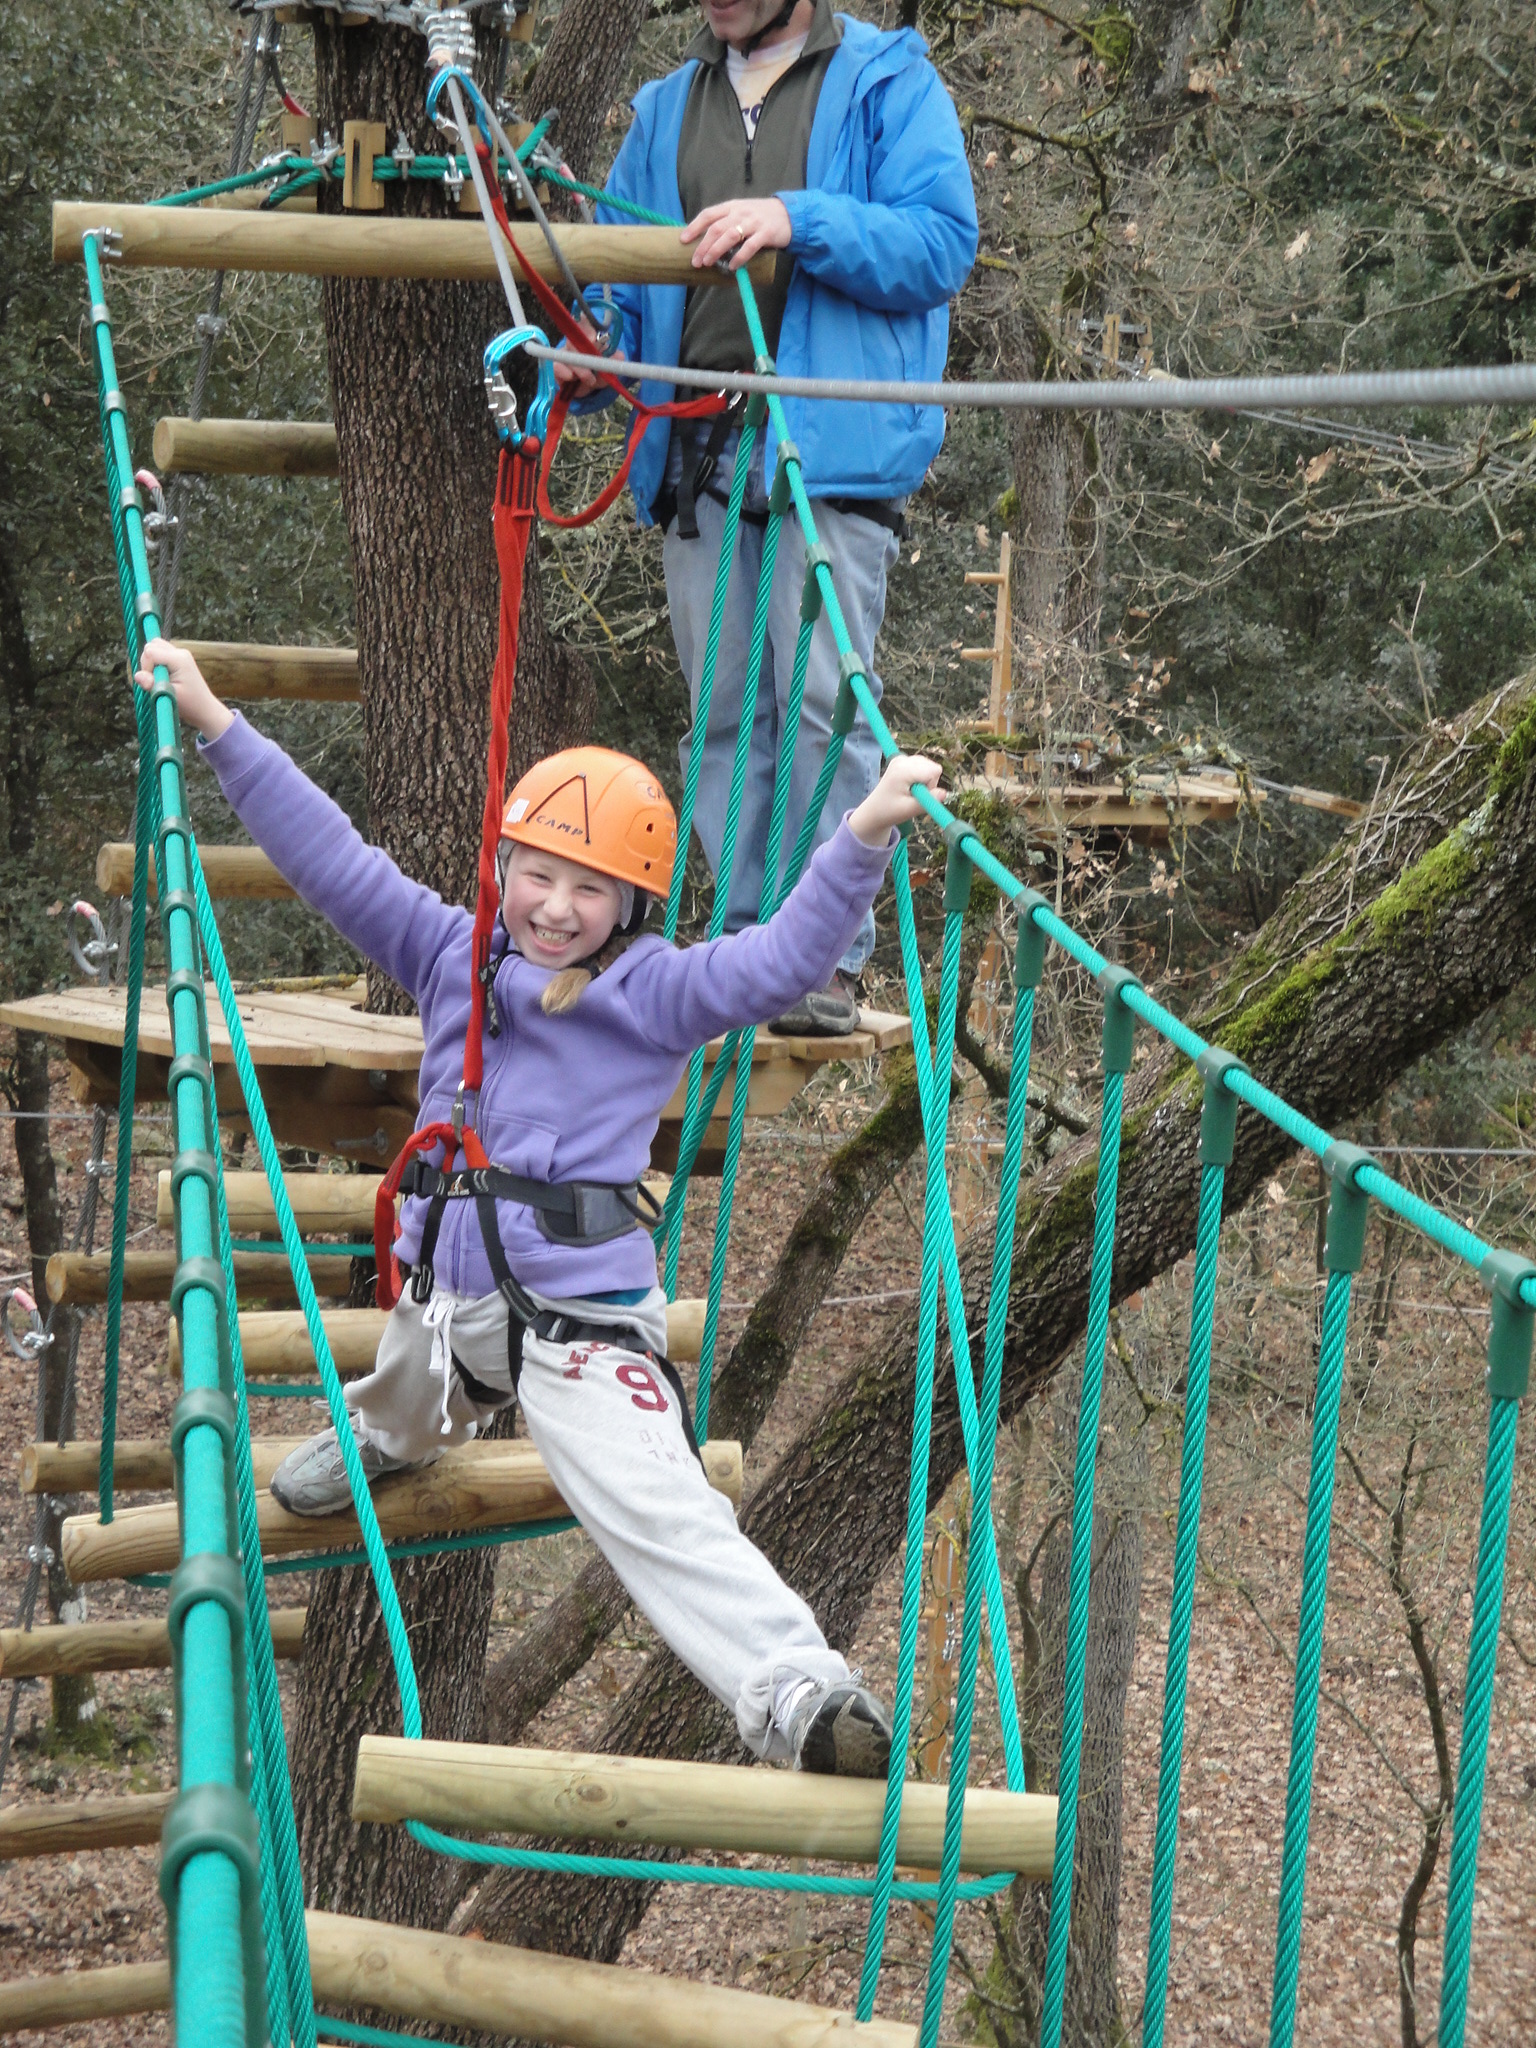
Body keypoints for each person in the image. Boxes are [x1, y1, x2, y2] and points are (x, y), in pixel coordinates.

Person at [137, 636, 943, 1777]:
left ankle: (800, 1692)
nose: (556, 907)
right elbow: (330, 858)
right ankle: (387, 1435)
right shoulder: (449, 954)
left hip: (579, 1320)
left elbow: (774, 962)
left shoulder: (653, 990)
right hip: (447, 1305)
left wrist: (861, 835)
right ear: (504, 866)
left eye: (589, 886)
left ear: (630, 904)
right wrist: (219, 724)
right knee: (411, 1395)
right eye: (539, 873)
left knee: (656, 1501)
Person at [556, 0, 977, 1034]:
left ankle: (824, 956)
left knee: (823, 704)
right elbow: (619, 287)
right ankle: (750, 948)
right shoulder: (665, 108)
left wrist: (799, 218)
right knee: (726, 710)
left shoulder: (888, 81)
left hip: (826, 447)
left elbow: (940, 243)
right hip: (698, 444)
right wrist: (582, 355)